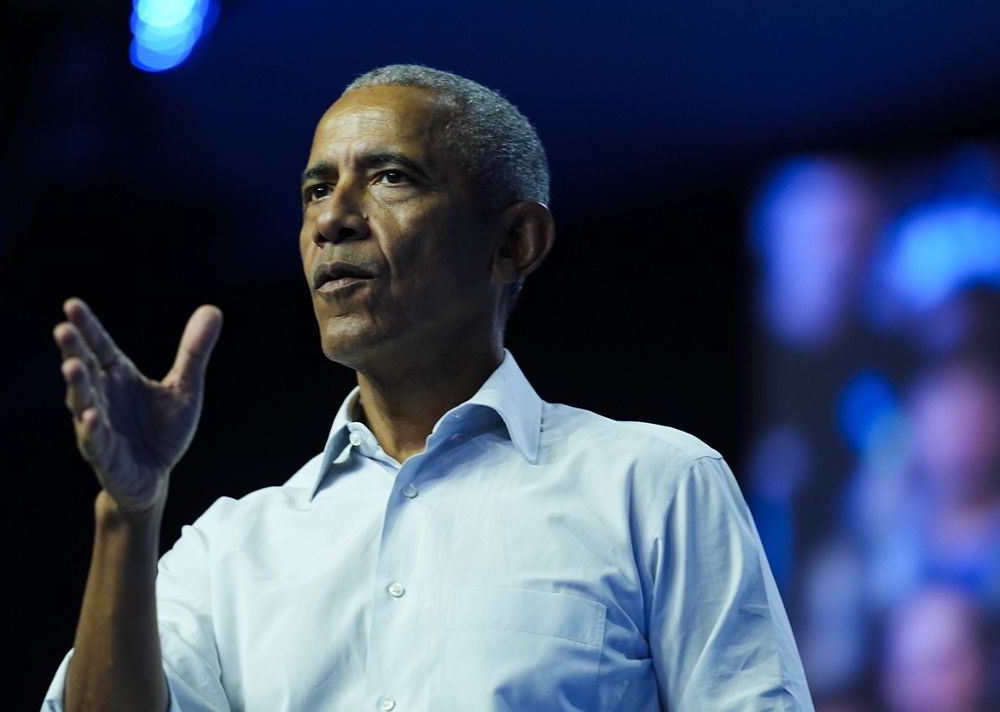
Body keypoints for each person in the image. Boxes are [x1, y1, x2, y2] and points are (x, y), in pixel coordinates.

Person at [41, 64, 812, 711]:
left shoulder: (654, 483)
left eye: (389, 178)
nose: (332, 220)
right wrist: (128, 512)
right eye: (315, 190)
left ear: (515, 242)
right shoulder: (229, 550)